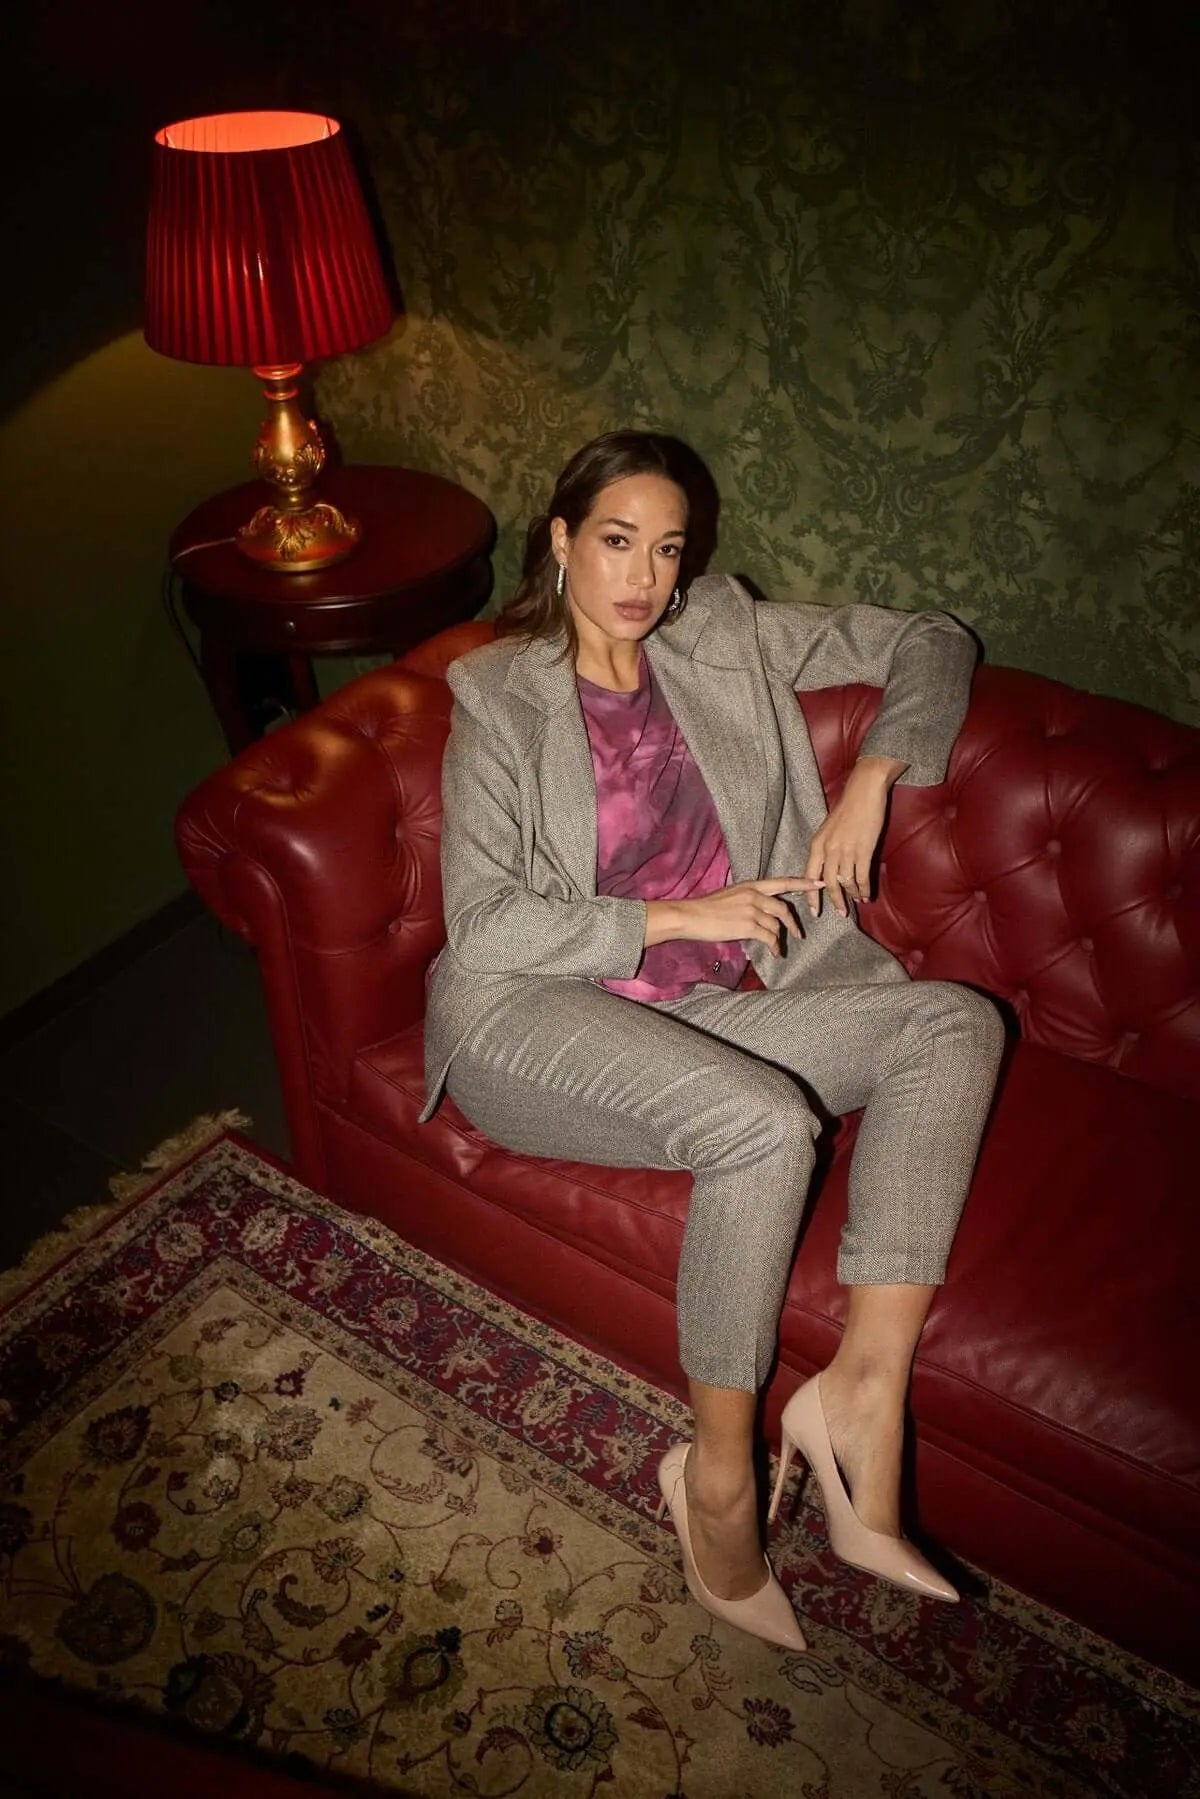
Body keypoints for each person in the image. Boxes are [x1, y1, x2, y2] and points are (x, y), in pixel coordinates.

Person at [422, 431, 1003, 1651]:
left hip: (713, 1007)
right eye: (616, 540)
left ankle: (862, 1394)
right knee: (765, 1125)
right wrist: (679, 914)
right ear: (562, 541)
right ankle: (720, 1479)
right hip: (532, 1015)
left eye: (668, 548)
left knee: (951, 1023)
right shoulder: (498, 694)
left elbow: (933, 637)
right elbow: (482, 925)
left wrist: (873, 777)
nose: (643, 576)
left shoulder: (722, 632)